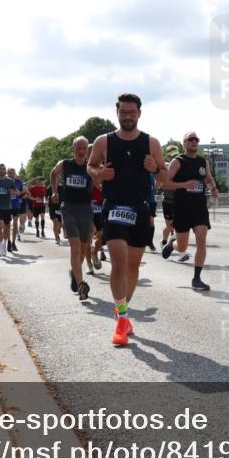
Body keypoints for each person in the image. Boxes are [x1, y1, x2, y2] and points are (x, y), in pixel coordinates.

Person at [88, 93, 167, 346]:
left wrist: (154, 169)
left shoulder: (151, 143)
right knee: (119, 264)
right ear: (117, 113)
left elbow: (164, 176)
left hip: (140, 208)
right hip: (114, 208)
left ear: (139, 114)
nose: (128, 116)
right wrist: (100, 173)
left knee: (133, 267)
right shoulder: (104, 141)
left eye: (132, 112)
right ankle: (122, 321)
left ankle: (122, 308)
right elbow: (90, 168)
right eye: (124, 112)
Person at [161, 131, 218, 290]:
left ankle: (196, 278)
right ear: (184, 143)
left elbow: (208, 179)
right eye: (190, 139)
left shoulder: (202, 161)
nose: (194, 141)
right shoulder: (178, 162)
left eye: (196, 139)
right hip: (182, 207)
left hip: (199, 207)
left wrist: (213, 188)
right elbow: (165, 183)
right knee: (183, 246)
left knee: (201, 238)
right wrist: (184, 185)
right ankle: (173, 245)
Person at [52, 137, 94, 301]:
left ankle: (74, 273)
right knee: (75, 246)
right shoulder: (65, 164)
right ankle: (82, 284)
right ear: (73, 148)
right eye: (79, 147)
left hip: (85, 209)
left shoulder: (90, 167)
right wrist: (55, 192)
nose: (82, 150)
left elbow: (100, 181)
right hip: (68, 207)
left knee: (83, 249)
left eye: (84, 147)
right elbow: (53, 174)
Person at [0, 164, 16, 257]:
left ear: (5, 171)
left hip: (7, 208)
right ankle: (0, 247)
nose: (1, 170)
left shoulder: (9, 182)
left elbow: (16, 192)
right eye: (0, 169)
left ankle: (5, 245)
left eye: (3, 169)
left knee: (6, 228)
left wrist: (13, 192)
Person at [160, 144, 179, 250]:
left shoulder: (181, 167)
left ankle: (181, 251)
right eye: (172, 155)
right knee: (170, 226)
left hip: (178, 201)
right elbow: (162, 184)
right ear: (168, 156)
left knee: (179, 226)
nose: (174, 157)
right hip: (168, 201)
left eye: (176, 155)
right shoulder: (166, 168)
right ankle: (164, 241)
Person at [8, 167, 26, 246]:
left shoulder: (19, 182)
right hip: (6, 205)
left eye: (13, 173)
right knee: (7, 225)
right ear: (8, 174)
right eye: (10, 173)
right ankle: (8, 241)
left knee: (15, 223)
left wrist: (15, 192)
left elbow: (20, 193)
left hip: (16, 205)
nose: (12, 174)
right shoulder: (5, 182)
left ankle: (13, 242)